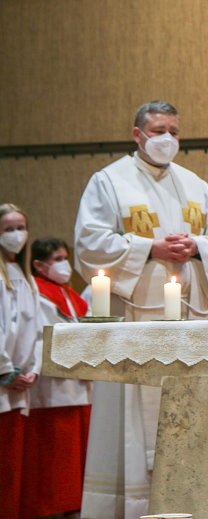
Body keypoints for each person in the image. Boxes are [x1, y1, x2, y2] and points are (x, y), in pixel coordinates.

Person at [74, 100, 208, 519]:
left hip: (191, 322)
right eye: (159, 130)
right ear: (138, 134)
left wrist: (198, 246)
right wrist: (151, 248)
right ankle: (134, 507)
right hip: (136, 322)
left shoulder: (195, 184)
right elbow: (89, 244)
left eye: (174, 132)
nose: (167, 139)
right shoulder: (109, 181)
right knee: (135, 419)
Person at [25, 237, 93, 518]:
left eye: (66, 258)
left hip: (77, 381)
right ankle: (52, 507)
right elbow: (38, 335)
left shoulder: (69, 293)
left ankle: (75, 505)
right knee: (55, 451)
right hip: (52, 383)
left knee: (77, 451)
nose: (65, 265)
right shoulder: (34, 292)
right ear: (39, 265)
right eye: (58, 260)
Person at [0, 204, 42, 519]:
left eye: (21, 228)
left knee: (12, 470)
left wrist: (34, 370)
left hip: (21, 384)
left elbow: (37, 331)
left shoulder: (27, 278)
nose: (17, 235)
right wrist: (5, 371)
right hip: (4, 382)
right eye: (8, 229)